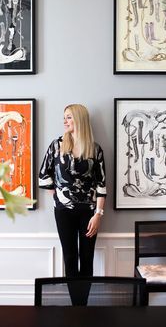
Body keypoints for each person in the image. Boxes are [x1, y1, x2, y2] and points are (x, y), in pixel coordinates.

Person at [39, 104, 107, 278]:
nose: (65, 120)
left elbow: (101, 183)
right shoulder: (56, 146)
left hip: (89, 213)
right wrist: (59, 197)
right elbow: (43, 176)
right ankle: (74, 305)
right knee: (69, 258)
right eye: (64, 117)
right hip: (64, 212)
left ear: (79, 119)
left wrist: (98, 214)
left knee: (87, 259)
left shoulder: (95, 149)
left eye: (69, 117)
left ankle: (82, 305)